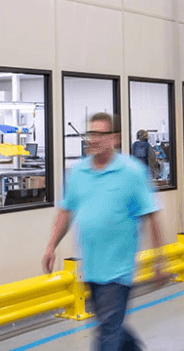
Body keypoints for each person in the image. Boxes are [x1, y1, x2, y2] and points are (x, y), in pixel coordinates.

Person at [42, 112, 165, 351]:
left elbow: (151, 215)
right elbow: (66, 211)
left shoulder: (131, 172)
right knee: (112, 326)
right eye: (91, 133)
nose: (94, 138)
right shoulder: (78, 172)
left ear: (115, 138)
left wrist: (160, 260)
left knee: (107, 333)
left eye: (101, 133)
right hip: (91, 267)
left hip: (119, 271)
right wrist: (51, 246)